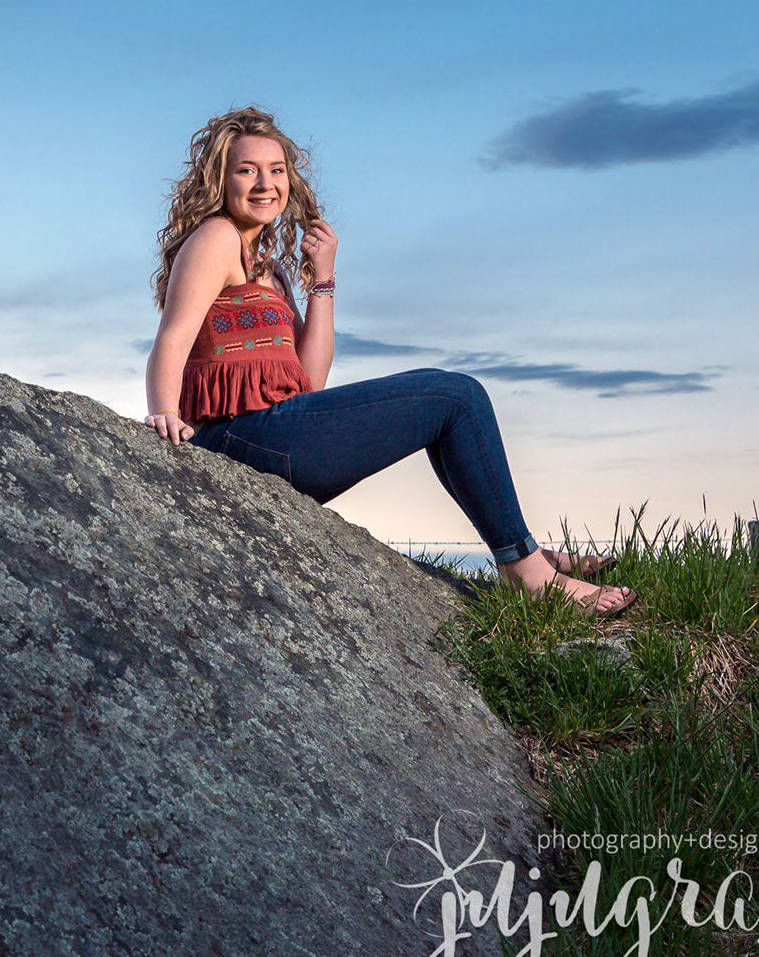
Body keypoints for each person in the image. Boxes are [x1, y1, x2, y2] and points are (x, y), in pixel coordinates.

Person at [141, 106, 634, 616]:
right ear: (220, 179)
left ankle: (523, 552)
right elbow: (172, 336)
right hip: (238, 439)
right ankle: (530, 574)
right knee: (456, 396)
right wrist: (165, 412)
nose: (266, 183)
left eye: (277, 170)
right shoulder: (217, 238)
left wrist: (323, 278)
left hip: (276, 435)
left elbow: (309, 381)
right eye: (247, 170)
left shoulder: (271, 271)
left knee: (450, 400)